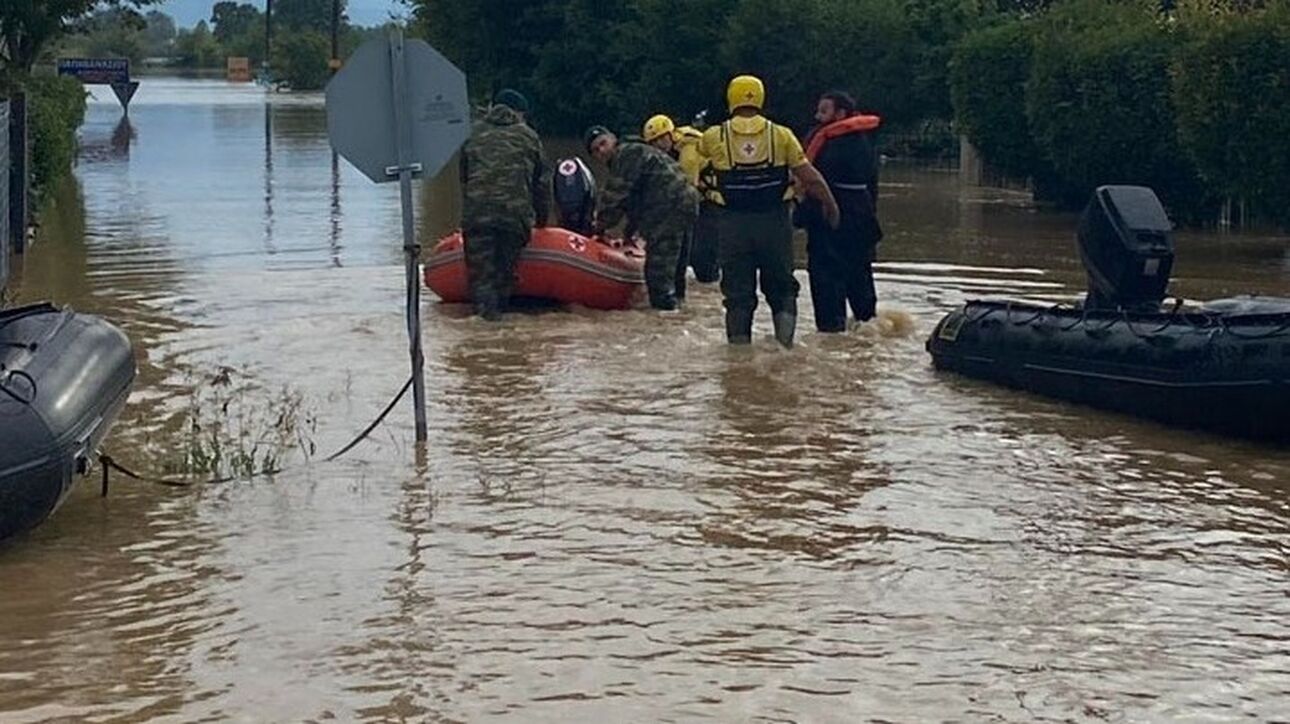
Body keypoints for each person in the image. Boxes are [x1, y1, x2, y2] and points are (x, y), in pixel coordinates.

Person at [698, 74, 839, 348]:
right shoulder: (781, 135)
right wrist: (830, 205)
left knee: (737, 294)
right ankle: (785, 347)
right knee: (782, 287)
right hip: (774, 223)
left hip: (732, 225)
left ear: (731, 98)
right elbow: (810, 177)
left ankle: (738, 356)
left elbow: (693, 169)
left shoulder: (713, 137)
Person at [585, 125, 700, 311]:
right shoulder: (637, 150)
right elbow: (633, 200)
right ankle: (680, 312)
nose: (602, 150)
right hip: (685, 202)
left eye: (603, 143)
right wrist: (629, 233)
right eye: (596, 151)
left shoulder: (625, 154)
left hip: (668, 206)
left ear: (614, 139)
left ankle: (664, 317)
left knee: (657, 273)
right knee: (676, 268)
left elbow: (614, 198)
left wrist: (596, 227)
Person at [459, 88, 551, 321]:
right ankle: (500, 329)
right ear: (519, 113)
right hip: (514, 217)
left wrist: (470, 210)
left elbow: (464, 177)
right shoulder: (529, 136)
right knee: (503, 276)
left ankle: (484, 328)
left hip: (478, 215)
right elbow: (541, 185)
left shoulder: (472, 134)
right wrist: (542, 222)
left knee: (481, 280)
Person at [798, 91, 883, 331]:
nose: (817, 116)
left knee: (825, 277)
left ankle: (831, 329)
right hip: (862, 215)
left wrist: (801, 215)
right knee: (860, 273)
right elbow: (872, 183)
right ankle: (867, 324)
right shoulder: (865, 141)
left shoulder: (820, 139)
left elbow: (808, 181)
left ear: (841, 113)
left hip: (827, 218)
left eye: (823, 111)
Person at [642, 113, 708, 300]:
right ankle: (680, 296)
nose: (656, 146)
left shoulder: (688, 149)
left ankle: (683, 293)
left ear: (669, 136)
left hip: (707, 201)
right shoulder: (668, 153)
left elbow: (687, 187)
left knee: (698, 257)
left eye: (659, 140)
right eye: (652, 143)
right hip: (693, 201)